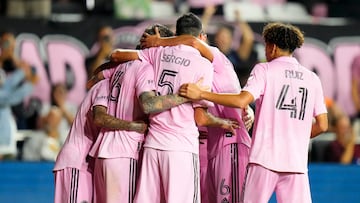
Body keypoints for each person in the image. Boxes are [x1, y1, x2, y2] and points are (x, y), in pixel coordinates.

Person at [179, 22, 329, 203]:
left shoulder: (265, 69)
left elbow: (242, 100)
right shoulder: (312, 78)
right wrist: (295, 138)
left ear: (272, 47)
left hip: (264, 160)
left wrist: (201, 94)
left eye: (266, 45)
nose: (265, 51)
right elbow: (322, 125)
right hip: (296, 163)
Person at [105, 14, 240, 203]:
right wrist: (222, 122)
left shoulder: (158, 53)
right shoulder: (204, 65)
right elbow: (200, 118)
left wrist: (156, 43)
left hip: (153, 144)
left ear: (176, 34)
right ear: (201, 36)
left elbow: (117, 55)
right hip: (181, 147)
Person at [139, 25, 255, 203]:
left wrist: (247, 109)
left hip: (223, 143)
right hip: (199, 147)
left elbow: (238, 98)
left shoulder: (215, 62)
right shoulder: (191, 67)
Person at [53, 78, 147, 203]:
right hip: (76, 161)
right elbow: (99, 117)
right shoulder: (105, 85)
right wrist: (132, 126)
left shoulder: (115, 89)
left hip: (88, 162)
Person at [0, 31, 36, 160]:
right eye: (5, 42)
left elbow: (33, 78)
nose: (7, 46)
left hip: (18, 113)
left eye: (10, 42)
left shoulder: (18, 63)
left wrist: (18, 65)